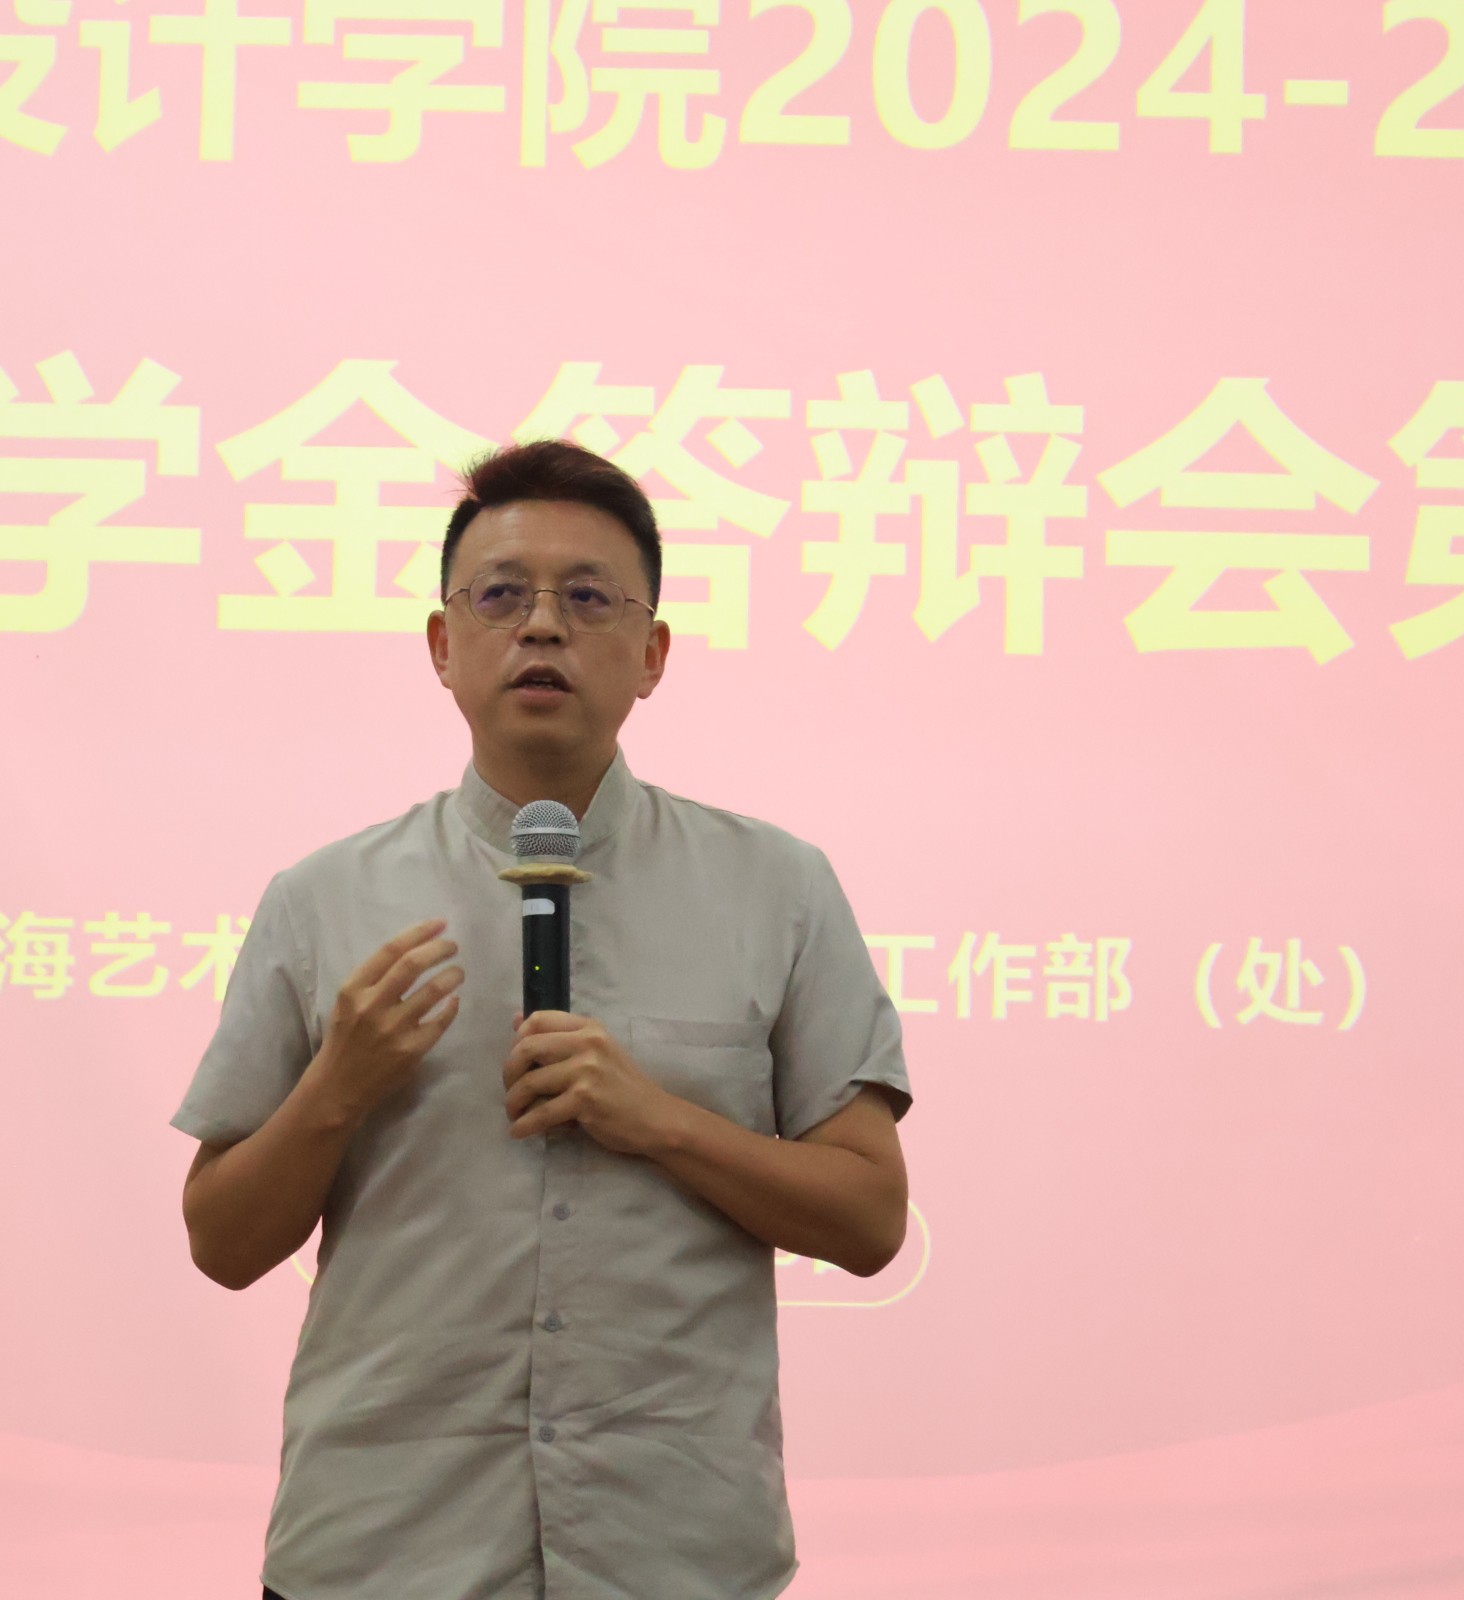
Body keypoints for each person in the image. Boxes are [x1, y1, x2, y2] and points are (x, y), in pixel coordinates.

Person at [173, 438, 913, 1600]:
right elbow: (221, 1243)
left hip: (674, 1554)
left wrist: (661, 1121)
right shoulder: (324, 899)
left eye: (588, 597)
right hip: (383, 1550)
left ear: (653, 653)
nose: (543, 627)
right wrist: (337, 1087)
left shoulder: (778, 888)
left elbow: (871, 1218)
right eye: (502, 595)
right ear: (442, 643)